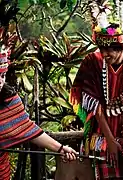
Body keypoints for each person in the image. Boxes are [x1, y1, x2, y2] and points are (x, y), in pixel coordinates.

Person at [69, 2, 123, 180]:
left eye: (110, 50)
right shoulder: (92, 62)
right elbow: (92, 103)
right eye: (102, 49)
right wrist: (109, 139)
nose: (105, 54)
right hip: (101, 134)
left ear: (122, 48)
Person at [0, 46, 78, 180]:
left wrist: (60, 149)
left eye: (2, 75)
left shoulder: (10, 100)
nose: (0, 81)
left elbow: (28, 129)